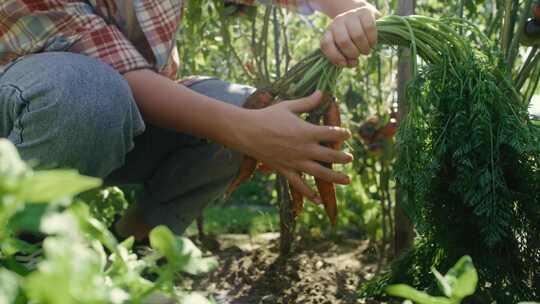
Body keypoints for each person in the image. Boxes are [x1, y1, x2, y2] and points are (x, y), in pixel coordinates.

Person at [0, 0, 379, 240]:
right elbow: (121, 74)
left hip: (122, 118)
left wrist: (350, 11)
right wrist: (248, 131)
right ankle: (22, 243)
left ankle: (136, 247)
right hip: (26, 124)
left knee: (245, 106)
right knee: (89, 92)